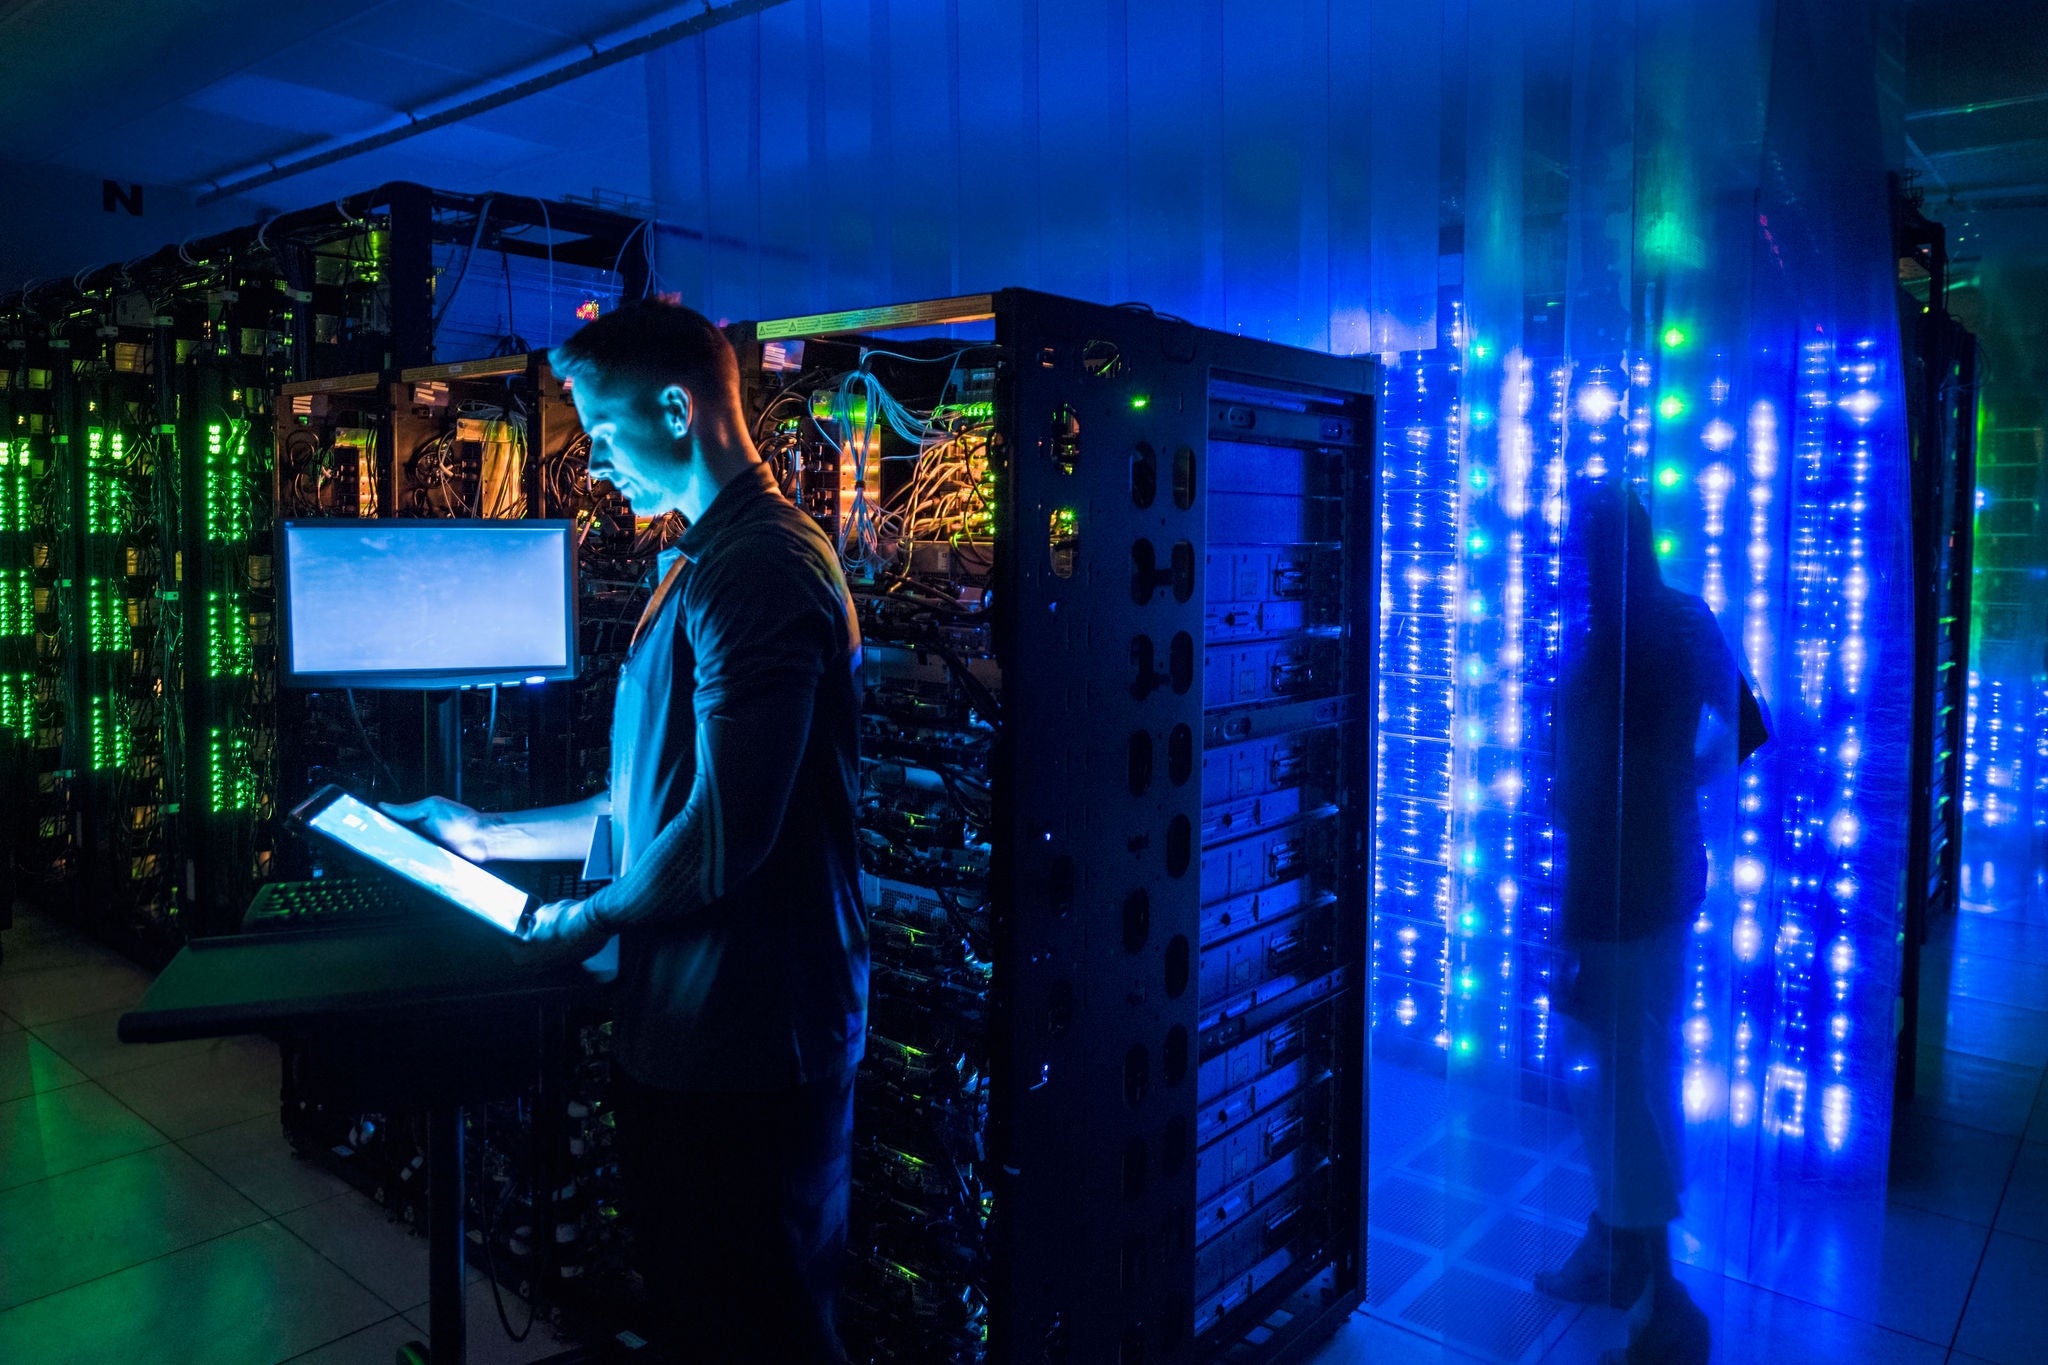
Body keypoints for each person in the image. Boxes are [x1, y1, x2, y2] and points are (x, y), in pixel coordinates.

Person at [384, 298, 866, 1365]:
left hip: (751, 1043)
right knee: (700, 1312)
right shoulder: (693, 564)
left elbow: (717, 839)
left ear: (675, 411)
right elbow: (636, 801)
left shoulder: (759, 569)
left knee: (766, 1327)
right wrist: (485, 832)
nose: (594, 462)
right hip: (689, 1030)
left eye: (602, 432)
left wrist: (571, 922)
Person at [1537, 482, 1761, 1365]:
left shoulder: (1608, 648)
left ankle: (1659, 1300)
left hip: (1612, 892)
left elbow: (1571, 794)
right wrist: (1682, 780)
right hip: (1667, 879)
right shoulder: (1680, 619)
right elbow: (1746, 725)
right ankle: (1619, 1251)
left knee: (1620, 1086)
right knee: (1633, 1071)